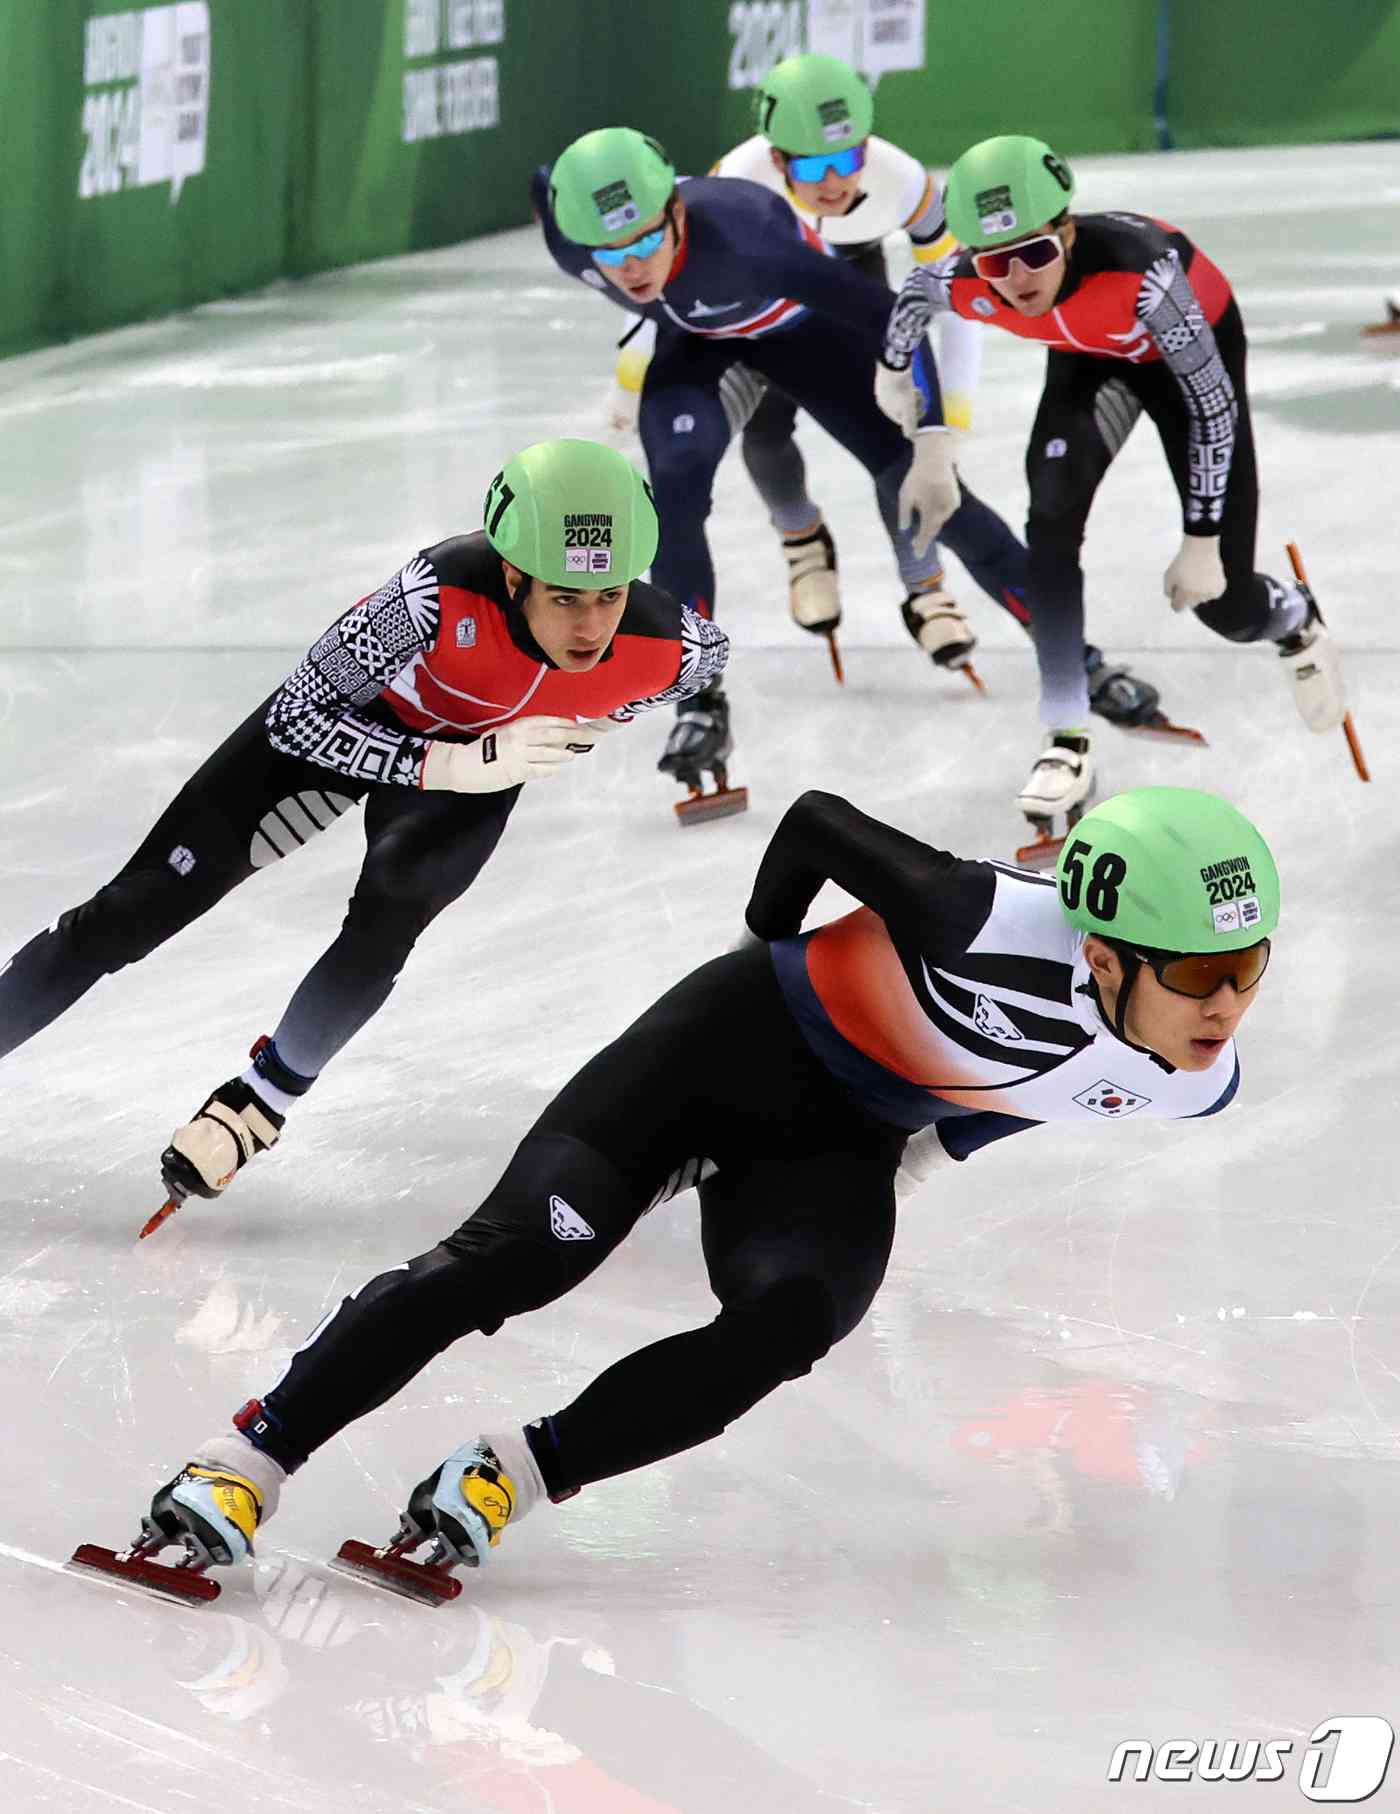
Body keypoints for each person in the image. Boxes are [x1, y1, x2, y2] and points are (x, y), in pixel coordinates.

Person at [86, 784, 1278, 1592]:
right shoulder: (976, 916)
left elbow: (1057, 1088)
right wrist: (769, 944)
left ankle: (512, 1469)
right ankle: (247, 1459)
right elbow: (813, 822)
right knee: (517, 1257)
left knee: (789, 1324)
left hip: (840, 1141)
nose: (1228, 1007)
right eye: (1204, 976)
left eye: (1250, 968)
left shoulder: (1191, 1077)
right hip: (723, 1046)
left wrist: (932, 1145)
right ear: (1109, 956)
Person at [1, 439, 725, 1206]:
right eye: (566, 599)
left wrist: (595, 720)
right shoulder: (430, 598)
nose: (591, 627)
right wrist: (447, 764)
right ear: (512, 575)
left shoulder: (674, 648)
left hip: (477, 767)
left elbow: (704, 662)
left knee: (395, 906)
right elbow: (297, 719)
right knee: (131, 912)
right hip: (347, 733)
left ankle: (264, 1098)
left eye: (610, 596)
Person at [603, 57, 1166, 724]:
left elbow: (953, 302)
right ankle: (798, 539)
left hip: (830, 306)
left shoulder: (901, 182)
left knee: (921, 477)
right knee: (757, 436)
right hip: (731, 321)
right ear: (777, 160)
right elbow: (664, 281)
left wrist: (944, 419)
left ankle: (974, 609)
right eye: (812, 169)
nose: (836, 181)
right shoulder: (735, 179)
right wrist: (631, 374)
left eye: (849, 158)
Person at [533, 124, 1051, 805]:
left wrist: (932, 433)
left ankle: (1075, 654)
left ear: (678, 214)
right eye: (611, 253)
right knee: (677, 486)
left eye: (647, 243)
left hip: (800, 333)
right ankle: (698, 703)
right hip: (697, 346)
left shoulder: (750, 245)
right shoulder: (574, 241)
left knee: (916, 483)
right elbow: (545, 185)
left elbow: (893, 315)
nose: (631, 268)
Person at [876, 134, 1347, 838]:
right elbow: (910, 305)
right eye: (995, 261)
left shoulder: (1145, 275)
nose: (1016, 279)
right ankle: (1066, 736)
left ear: (1067, 231)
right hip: (1089, 362)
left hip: (1188, 367)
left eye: (1035, 252)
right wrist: (928, 427)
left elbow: (1212, 405)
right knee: (1051, 524)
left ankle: (1290, 614)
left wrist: (1200, 537)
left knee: (1223, 602)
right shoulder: (966, 281)